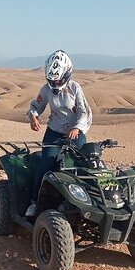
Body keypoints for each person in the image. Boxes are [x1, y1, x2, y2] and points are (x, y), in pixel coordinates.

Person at [26, 50, 92, 216]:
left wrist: (76, 127)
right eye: (51, 80)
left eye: (58, 79)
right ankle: (35, 202)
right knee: (46, 165)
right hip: (54, 131)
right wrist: (33, 117)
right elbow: (37, 106)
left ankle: (87, 202)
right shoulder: (46, 89)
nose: (55, 83)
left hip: (74, 132)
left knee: (84, 164)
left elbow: (83, 111)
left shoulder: (75, 88)